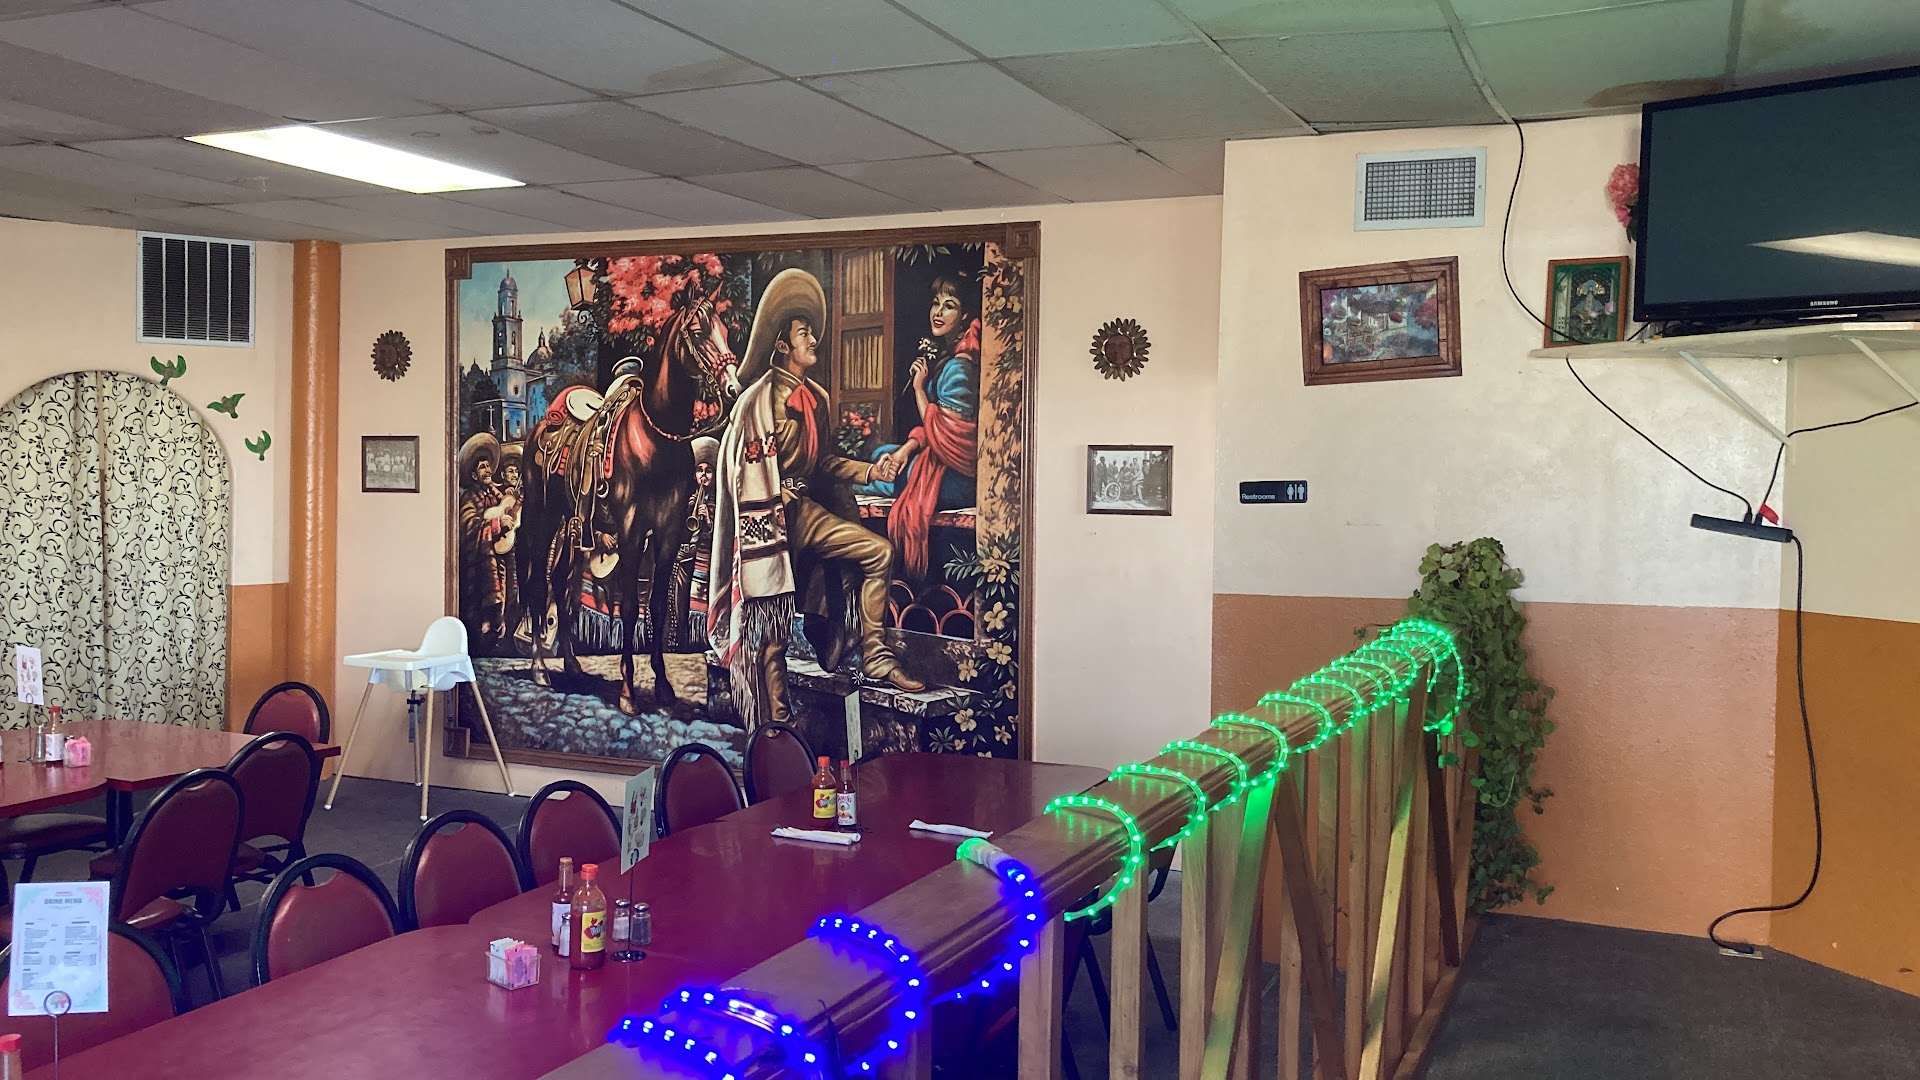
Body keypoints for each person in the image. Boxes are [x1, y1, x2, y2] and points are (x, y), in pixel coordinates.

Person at [709, 268, 925, 729]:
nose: (813, 340)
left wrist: (870, 470)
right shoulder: (756, 402)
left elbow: (824, 463)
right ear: (782, 345)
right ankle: (776, 721)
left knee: (878, 552)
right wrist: (771, 495)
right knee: (772, 623)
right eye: (803, 332)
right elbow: (740, 469)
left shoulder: (817, 399)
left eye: (811, 332)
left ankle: (875, 656)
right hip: (767, 520)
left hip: (805, 515)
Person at [858, 273, 980, 578]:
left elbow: (947, 433)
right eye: (936, 303)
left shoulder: (960, 368)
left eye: (949, 306)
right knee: (885, 454)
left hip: (957, 477)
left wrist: (918, 389)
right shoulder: (950, 359)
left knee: (876, 477)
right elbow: (932, 429)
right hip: (939, 462)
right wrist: (904, 451)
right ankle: (878, 472)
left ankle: (863, 482)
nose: (938, 312)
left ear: (964, 316)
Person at [458, 433, 514, 647]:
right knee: (485, 609)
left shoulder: (499, 495)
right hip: (481, 563)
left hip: (503, 559)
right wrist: (496, 525)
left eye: (488, 466)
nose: (487, 470)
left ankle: (501, 638)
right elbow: (468, 525)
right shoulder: (469, 497)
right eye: (482, 467)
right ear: (474, 475)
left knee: (505, 601)